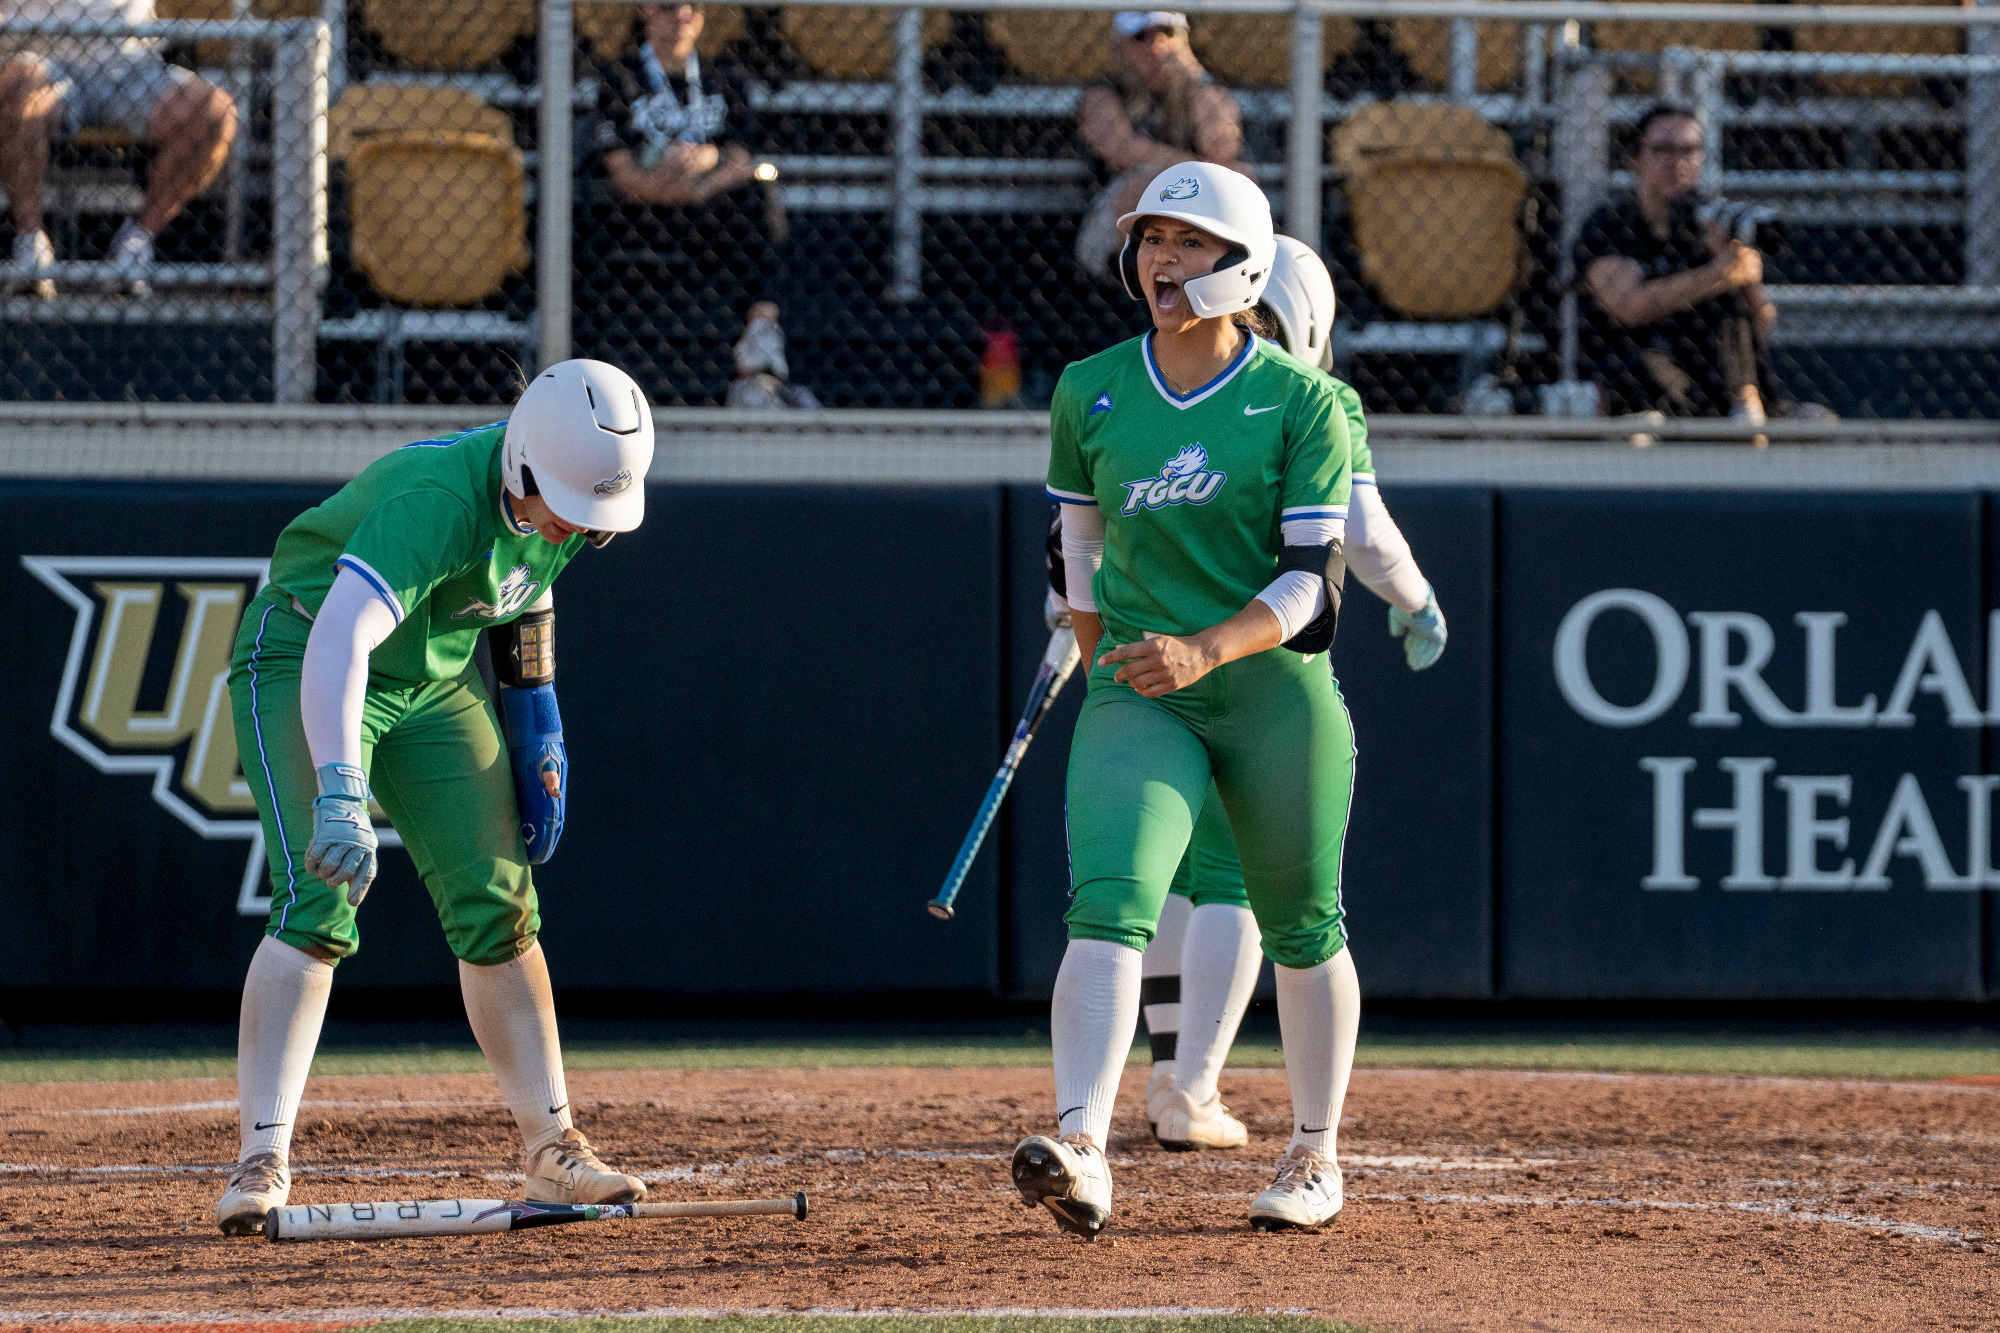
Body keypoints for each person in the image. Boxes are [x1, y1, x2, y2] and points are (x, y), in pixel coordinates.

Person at [213, 360, 656, 1235]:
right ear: (525, 464)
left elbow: (527, 591)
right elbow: (342, 634)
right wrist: (342, 791)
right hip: (304, 654)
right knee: (318, 897)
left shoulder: (567, 500)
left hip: (432, 679)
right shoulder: (439, 503)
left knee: (499, 901)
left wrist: (538, 719)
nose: (581, 527)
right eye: (570, 505)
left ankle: (552, 1145)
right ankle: (261, 1155)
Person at [1014, 160, 1356, 1238]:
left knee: (1302, 927)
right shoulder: (1091, 386)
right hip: (1141, 689)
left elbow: (1313, 582)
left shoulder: (1302, 401)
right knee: (1106, 906)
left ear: (1242, 264)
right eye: (1153, 238)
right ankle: (1080, 1142)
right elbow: (1078, 545)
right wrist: (1106, 654)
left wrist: (1203, 650)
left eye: (1189, 242)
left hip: (1270, 690)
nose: (1162, 257)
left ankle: (1312, 1156)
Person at [1130, 236, 1447, 1155]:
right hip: (1257, 661)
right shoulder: (1318, 400)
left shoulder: (1153, 378)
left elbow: (1097, 519)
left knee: (1176, 870)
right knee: (1232, 876)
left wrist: (1066, 602)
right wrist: (1421, 604)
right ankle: (1189, 1083)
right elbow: (1372, 542)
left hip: (1155, 651)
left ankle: (1166, 1069)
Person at [580, 1, 772, 403]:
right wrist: (670, 187)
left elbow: (742, 157)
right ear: (644, 10)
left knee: (761, 194)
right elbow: (620, 169)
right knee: (594, 210)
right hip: (641, 210)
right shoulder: (619, 78)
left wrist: (707, 164)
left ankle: (761, 343)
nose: (683, 15)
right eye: (669, 6)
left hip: (709, 205)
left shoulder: (724, 78)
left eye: (694, 6)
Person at [0, 0, 238, 297]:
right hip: (42, 61)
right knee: (15, 86)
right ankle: (30, 247)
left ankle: (136, 245)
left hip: (132, 66)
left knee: (213, 114)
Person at [1572, 103, 1779, 424]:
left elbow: (1762, 321)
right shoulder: (1610, 223)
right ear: (1636, 157)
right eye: (1662, 150)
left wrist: (1744, 273)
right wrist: (1718, 272)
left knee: (1729, 299)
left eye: (1689, 151)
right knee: (1635, 370)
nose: (1676, 163)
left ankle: (1747, 406)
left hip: (1710, 363)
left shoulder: (1711, 219)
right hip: (1644, 361)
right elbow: (1628, 306)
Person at [1073, 11, 1248, 284]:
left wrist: (1196, 78)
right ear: (1122, 47)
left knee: (1242, 177)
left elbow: (1223, 147)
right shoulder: (1102, 94)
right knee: (1148, 187)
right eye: (1141, 37)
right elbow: (1123, 151)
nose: (1156, 46)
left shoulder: (1200, 92)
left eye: (1167, 34)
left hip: (1193, 217)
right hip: (1112, 228)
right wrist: (1199, 169)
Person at [726, 299, 820, 409]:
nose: (767, 323)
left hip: (774, 389)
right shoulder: (748, 338)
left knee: (802, 396)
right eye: (761, 315)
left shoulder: (775, 334)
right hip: (749, 388)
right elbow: (745, 368)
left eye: (771, 318)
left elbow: (779, 371)